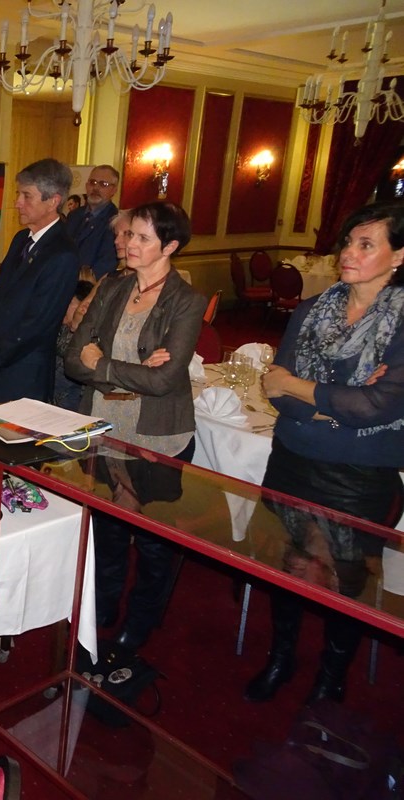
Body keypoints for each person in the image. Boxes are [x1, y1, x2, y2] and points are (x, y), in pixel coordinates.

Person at [244, 203, 404, 705]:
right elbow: (275, 390)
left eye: (366, 244)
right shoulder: (314, 308)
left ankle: (332, 674)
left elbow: (377, 405)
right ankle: (281, 657)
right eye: (348, 242)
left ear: (399, 256)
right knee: (286, 563)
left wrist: (302, 388)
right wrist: (336, 402)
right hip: (293, 457)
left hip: (360, 473)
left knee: (347, 576)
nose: (347, 254)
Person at [65, 201, 205, 652]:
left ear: (170, 246)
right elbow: (73, 358)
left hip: (157, 435)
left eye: (142, 237)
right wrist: (132, 371)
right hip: (105, 426)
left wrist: (103, 364)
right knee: (106, 528)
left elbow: (164, 381)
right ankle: (104, 604)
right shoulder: (113, 287)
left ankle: (142, 618)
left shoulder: (186, 301)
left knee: (151, 538)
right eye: (129, 235)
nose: (128, 244)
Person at [0, 158, 79, 477]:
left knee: (9, 463)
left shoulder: (63, 253)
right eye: (18, 194)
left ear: (53, 201)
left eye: (26, 196)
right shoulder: (20, 240)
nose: (17, 203)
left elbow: (37, 324)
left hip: (22, 371)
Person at [66, 165, 121, 280]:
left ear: (114, 190)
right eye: (93, 182)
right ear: (86, 186)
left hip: (86, 286)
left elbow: (105, 265)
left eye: (103, 184)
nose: (96, 188)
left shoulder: (115, 221)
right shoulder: (73, 215)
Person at [53, 279, 96, 411]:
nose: (61, 306)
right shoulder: (60, 329)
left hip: (73, 408)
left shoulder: (90, 336)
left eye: (68, 302)